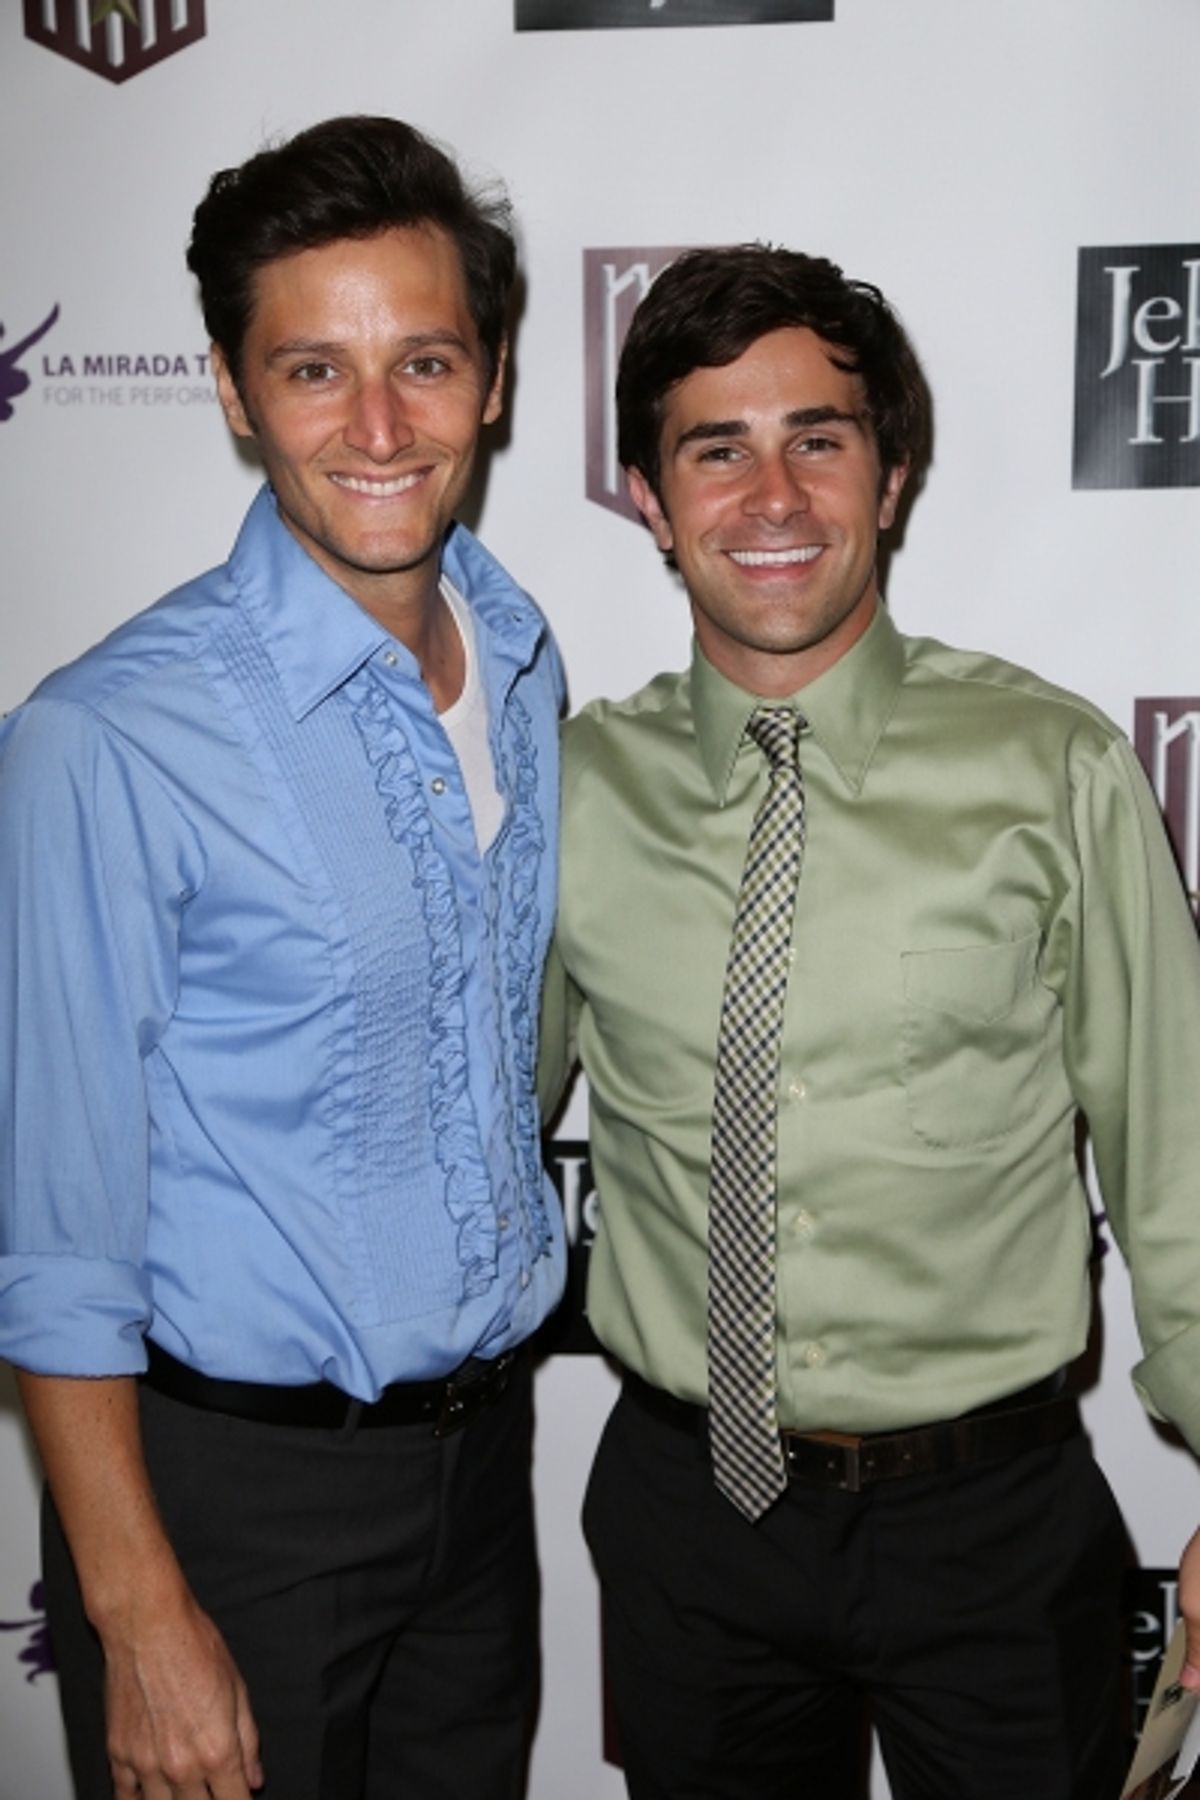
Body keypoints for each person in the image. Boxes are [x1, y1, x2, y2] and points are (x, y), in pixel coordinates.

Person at [539, 243, 1200, 1800]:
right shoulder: (571, 794)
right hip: (687, 1517)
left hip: (995, 1524)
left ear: (890, 476)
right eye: (717, 449)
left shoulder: (1051, 771)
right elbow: (464, 1124)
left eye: (818, 440)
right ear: (648, 497)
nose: (772, 497)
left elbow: (1180, 1166)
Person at [0, 115, 564, 1800]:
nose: (378, 428)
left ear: (494, 380)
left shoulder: (523, 658)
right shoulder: (107, 737)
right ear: (237, 395)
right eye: (315, 370)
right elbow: (53, 1237)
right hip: (228, 1509)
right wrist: (135, 1610)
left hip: (484, 1480)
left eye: (425, 363)